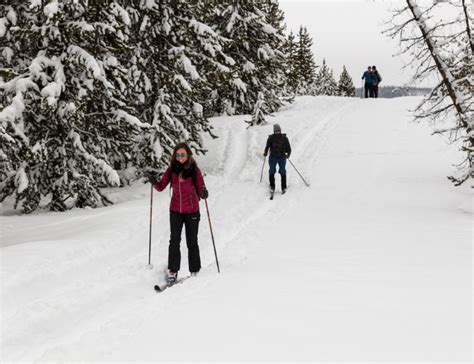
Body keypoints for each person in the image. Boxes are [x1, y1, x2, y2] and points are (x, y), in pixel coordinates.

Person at [148, 143, 208, 285]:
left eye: (183, 155)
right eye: (178, 155)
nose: (180, 158)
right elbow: (161, 186)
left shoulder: (194, 170)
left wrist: (204, 193)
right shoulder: (172, 169)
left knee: (192, 241)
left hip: (192, 210)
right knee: (174, 241)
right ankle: (173, 271)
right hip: (175, 210)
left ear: (188, 155)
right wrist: (154, 182)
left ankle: (195, 270)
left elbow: (201, 188)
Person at [263, 124, 291, 194]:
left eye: (278, 131)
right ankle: (272, 186)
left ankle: (283, 187)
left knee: (282, 171)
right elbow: (267, 146)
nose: (277, 132)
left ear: (280, 130)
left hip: (282, 157)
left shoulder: (284, 138)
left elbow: (289, 149)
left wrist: (288, 154)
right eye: (276, 131)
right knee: (271, 171)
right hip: (273, 157)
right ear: (274, 131)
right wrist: (265, 153)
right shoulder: (271, 138)